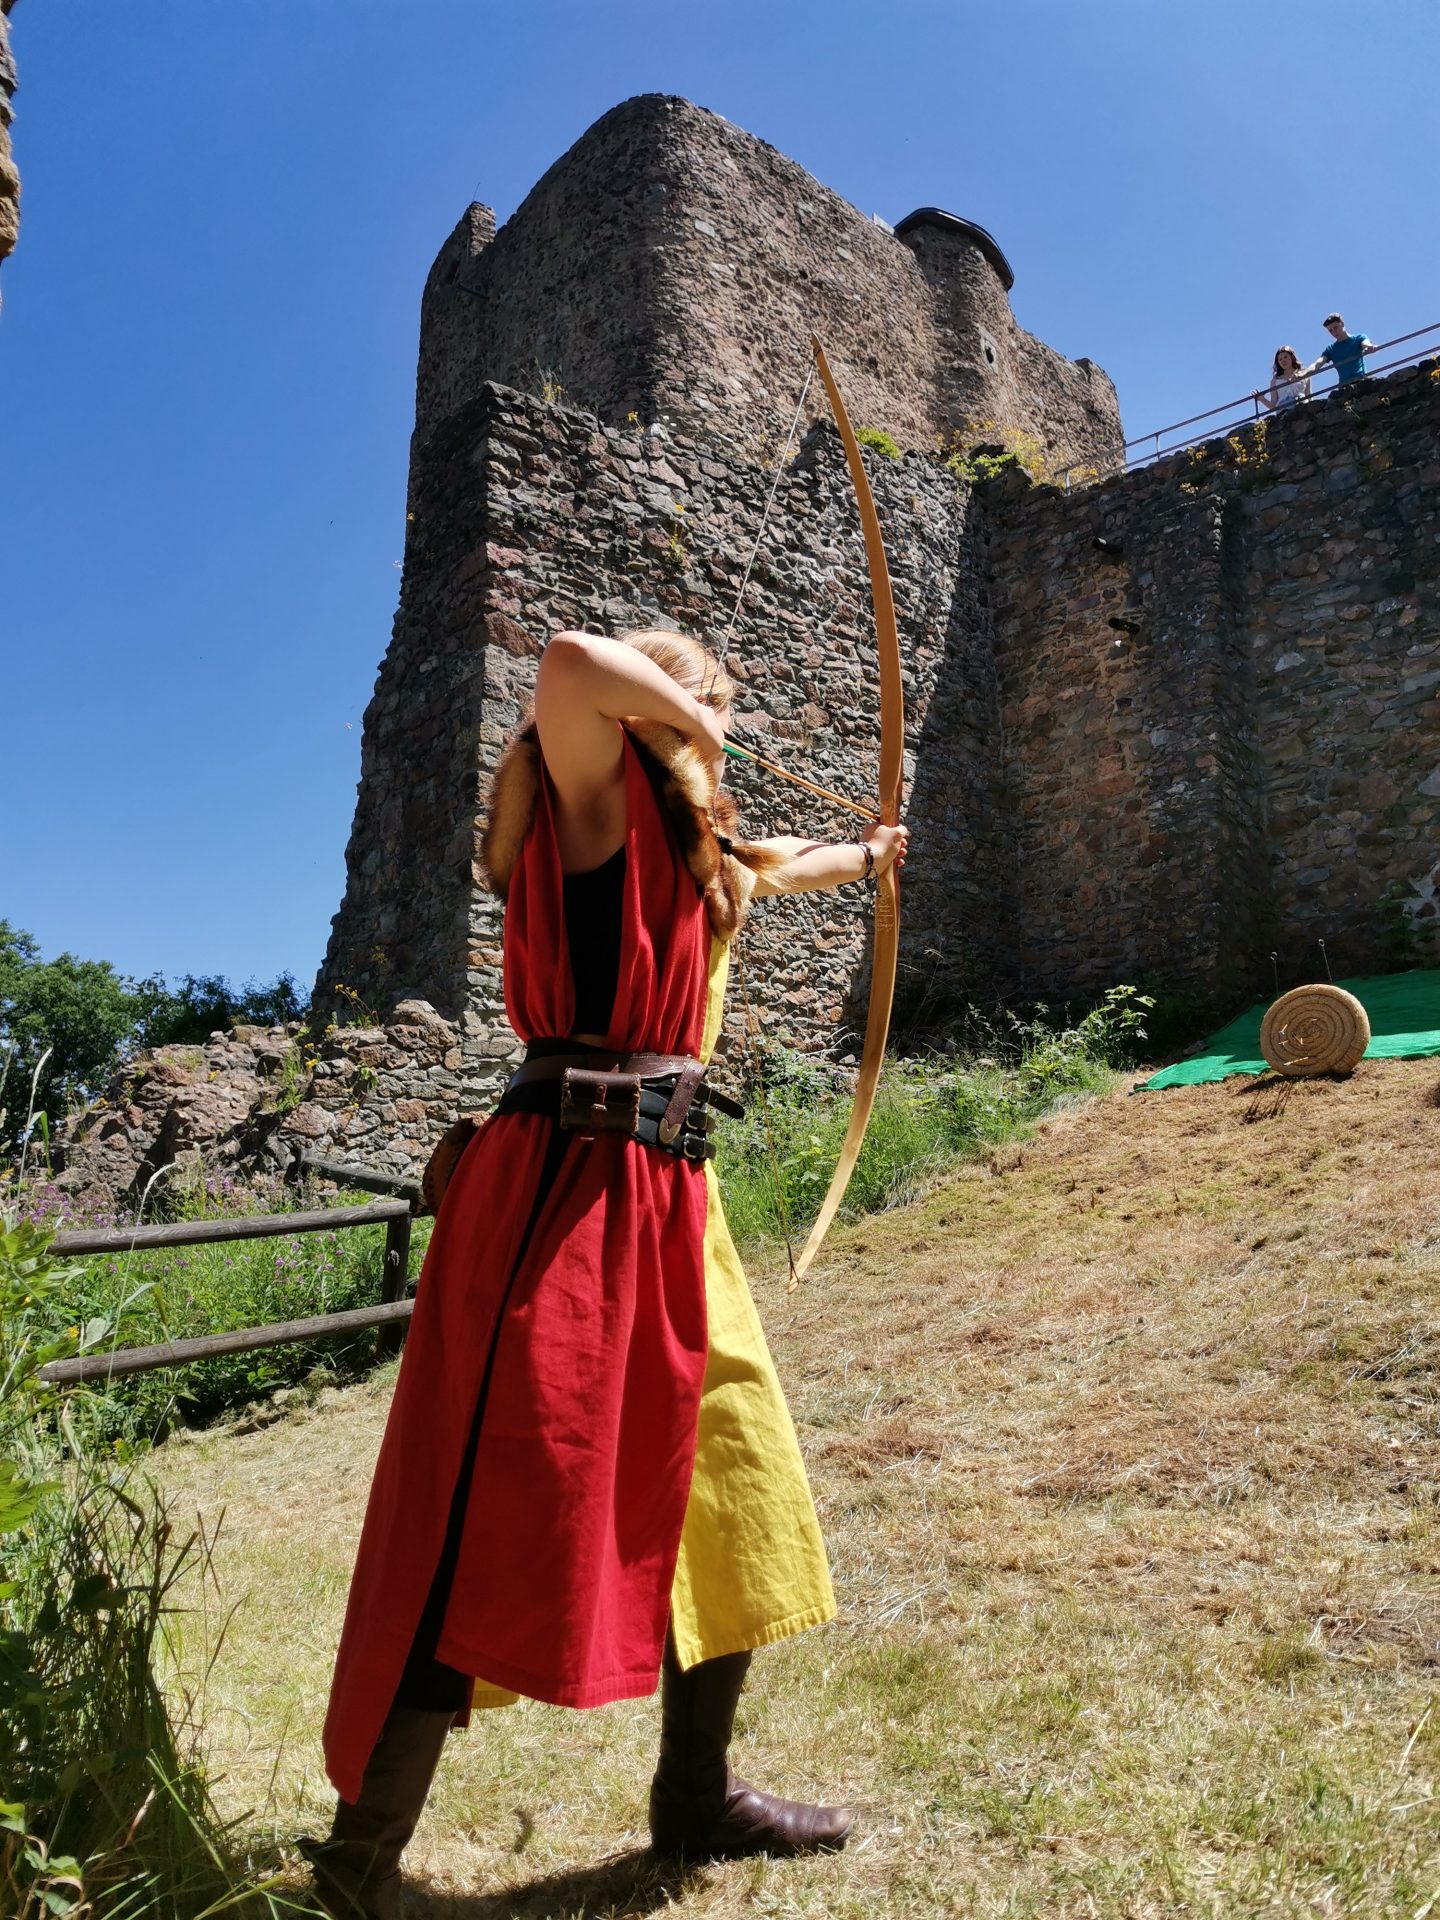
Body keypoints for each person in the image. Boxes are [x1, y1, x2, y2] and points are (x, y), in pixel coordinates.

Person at [307, 626, 909, 1918]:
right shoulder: (586, 784)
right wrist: (696, 721)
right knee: (482, 1506)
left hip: (672, 1200)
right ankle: (357, 1865)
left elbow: (773, 864)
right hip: (562, 1190)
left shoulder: (692, 839)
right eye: (706, 696)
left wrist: (868, 857)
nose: (720, 716)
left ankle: (696, 1797)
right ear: (660, 706)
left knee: (738, 1471)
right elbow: (570, 660)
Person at [1304, 313, 1375, 389]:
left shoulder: (1358, 338)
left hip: (1361, 380)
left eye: (1335, 328)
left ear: (1342, 323)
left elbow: (1365, 343)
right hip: (1344, 386)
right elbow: (1317, 364)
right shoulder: (1331, 349)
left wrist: (1369, 346)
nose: (1334, 332)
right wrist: (1303, 373)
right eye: (1330, 330)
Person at [1254, 344, 1310, 412]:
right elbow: (1273, 405)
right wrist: (1262, 399)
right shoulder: (1275, 381)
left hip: (1302, 407)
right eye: (1280, 359)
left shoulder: (1303, 373)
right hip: (1284, 411)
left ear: (1292, 357)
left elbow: (1309, 396)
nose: (1283, 361)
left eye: (1285, 357)